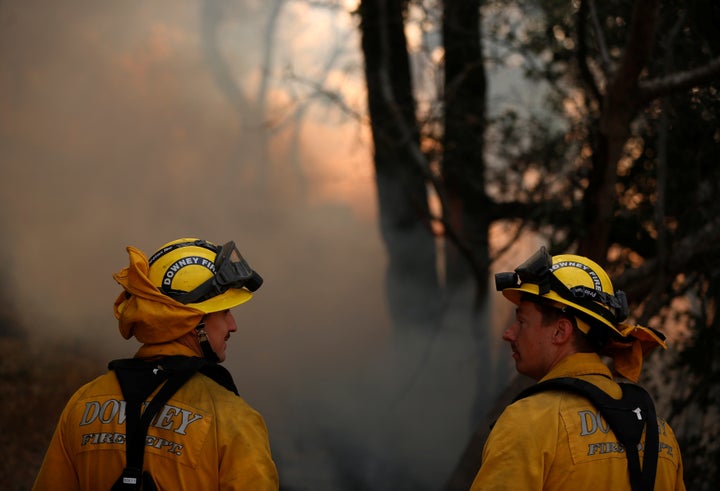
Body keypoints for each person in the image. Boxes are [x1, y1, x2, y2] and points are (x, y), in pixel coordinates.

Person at [32, 238, 279, 490]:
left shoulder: (82, 404)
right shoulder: (233, 418)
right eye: (224, 312)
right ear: (193, 322)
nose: (232, 326)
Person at [470, 247, 685, 490]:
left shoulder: (527, 422)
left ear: (560, 331)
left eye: (521, 322)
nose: (508, 334)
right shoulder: (660, 433)